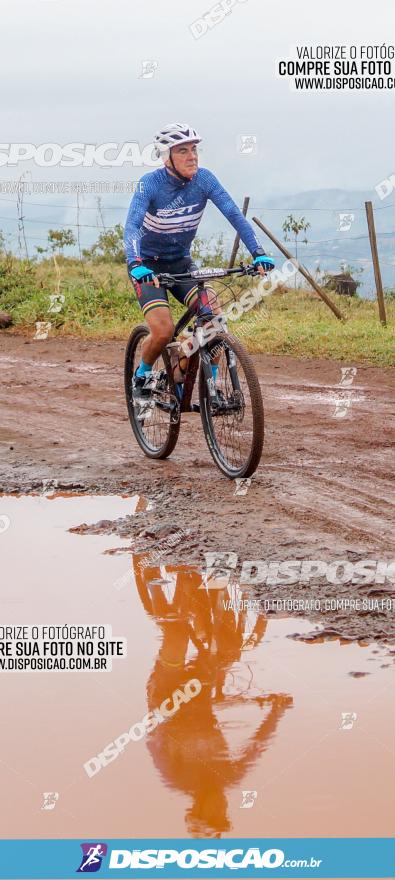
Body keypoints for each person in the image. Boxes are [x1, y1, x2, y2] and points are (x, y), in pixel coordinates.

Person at [124, 122, 275, 401]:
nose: (192, 156)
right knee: (163, 330)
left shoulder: (205, 180)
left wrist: (258, 253)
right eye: (182, 151)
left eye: (194, 149)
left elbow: (234, 215)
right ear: (166, 157)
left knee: (214, 322)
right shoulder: (150, 184)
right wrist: (135, 264)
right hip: (149, 268)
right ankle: (142, 375)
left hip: (181, 264)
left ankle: (208, 385)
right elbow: (132, 227)